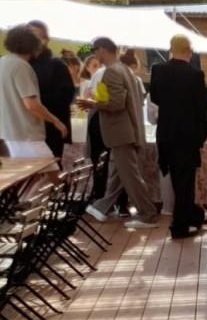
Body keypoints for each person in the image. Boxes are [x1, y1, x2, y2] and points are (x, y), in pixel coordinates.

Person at [81, 37, 159, 229]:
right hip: (127, 131)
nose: (94, 54)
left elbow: (116, 104)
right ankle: (101, 207)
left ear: (102, 50)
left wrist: (93, 104)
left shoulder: (112, 72)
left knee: (130, 176)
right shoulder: (125, 70)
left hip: (120, 133)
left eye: (94, 50)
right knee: (118, 175)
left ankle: (147, 214)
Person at [150, 34, 207, 240]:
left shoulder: (157, 70)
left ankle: (193, 216)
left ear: (171, 49)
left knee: (178, 180)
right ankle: (181, 225)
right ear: (189, 51)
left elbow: (155, 98)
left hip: (166, 133)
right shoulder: (196, 74)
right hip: (187, 136)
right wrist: (202, 134)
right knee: (185, 182)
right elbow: (202, 108)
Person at [0, 25, 67, 159]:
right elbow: (31, 105)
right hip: (27, 135)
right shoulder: (21, 66)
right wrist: (56, 121)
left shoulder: (3, 62)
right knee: (51, 171)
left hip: (8, 134)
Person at [26, 21, 76, 159]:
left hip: (50, 128)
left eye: (37, 35)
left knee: (51, 166)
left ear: (46, 39)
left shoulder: (56, 65)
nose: (32, 40)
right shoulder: (21, 63)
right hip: (25, 128)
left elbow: (66, 96)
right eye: (29, 35)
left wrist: (35, 102)